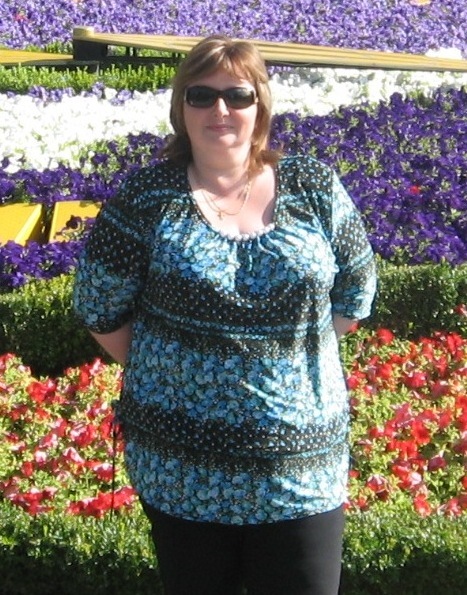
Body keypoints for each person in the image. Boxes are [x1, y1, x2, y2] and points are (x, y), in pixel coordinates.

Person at [73, 34, 377, 595]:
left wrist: (293, 361)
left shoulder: (313, 185)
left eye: (237, 95)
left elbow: (355, 294)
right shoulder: (146, 197)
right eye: (202, 95)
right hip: (182, 471)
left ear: (260, 106)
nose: (220, 109)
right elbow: (98, 306)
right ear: (180, 107)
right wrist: (176, 370)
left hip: (301, 470)